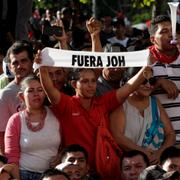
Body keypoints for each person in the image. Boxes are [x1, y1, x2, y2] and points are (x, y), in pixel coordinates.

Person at [36, 17, 153, 179]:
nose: (91, 85)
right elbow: (49, 88)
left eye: (93, 81)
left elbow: (128, 87)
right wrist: (41, 67)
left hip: (106, 171)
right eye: (85, 81)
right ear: (73, 83)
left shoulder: (103, 102)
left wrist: (144, 71)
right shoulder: (65, 104)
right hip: (77, 173)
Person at [110, 67, 175, 164]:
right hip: (131, 166)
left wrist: (160, 153)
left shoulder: (155, 102)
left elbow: (170, 134)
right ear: (132, 81)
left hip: (156, 164)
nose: (149, 85)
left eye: (152, 81)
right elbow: (117, 137)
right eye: (143, 81)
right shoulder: (121, 105)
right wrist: (142, 153)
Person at [4, 75, 62, 180]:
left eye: (40, 90)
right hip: (24, 175)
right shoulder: (15, 120)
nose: (36, 94)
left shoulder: (56, 115)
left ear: (45, 93)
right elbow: (12, 156)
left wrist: (61, 156)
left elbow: (66, 145)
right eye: (30, 91)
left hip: (52, 176)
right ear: (21, 96)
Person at [148, 15, 180, 146]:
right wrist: (159, 82)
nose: (170, 35)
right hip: (161, 144)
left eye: (172, 31)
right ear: (152, 39)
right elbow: (131, 94)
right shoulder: (143, 61)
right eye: (164, 31)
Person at [0, 40, 34, 154]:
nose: (20, 66)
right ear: (10, 66)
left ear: (32, 61)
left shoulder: (43, 86)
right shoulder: (6, 94)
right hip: (20, 159)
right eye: (15, 63)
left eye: (24, 61)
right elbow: (2, 134)